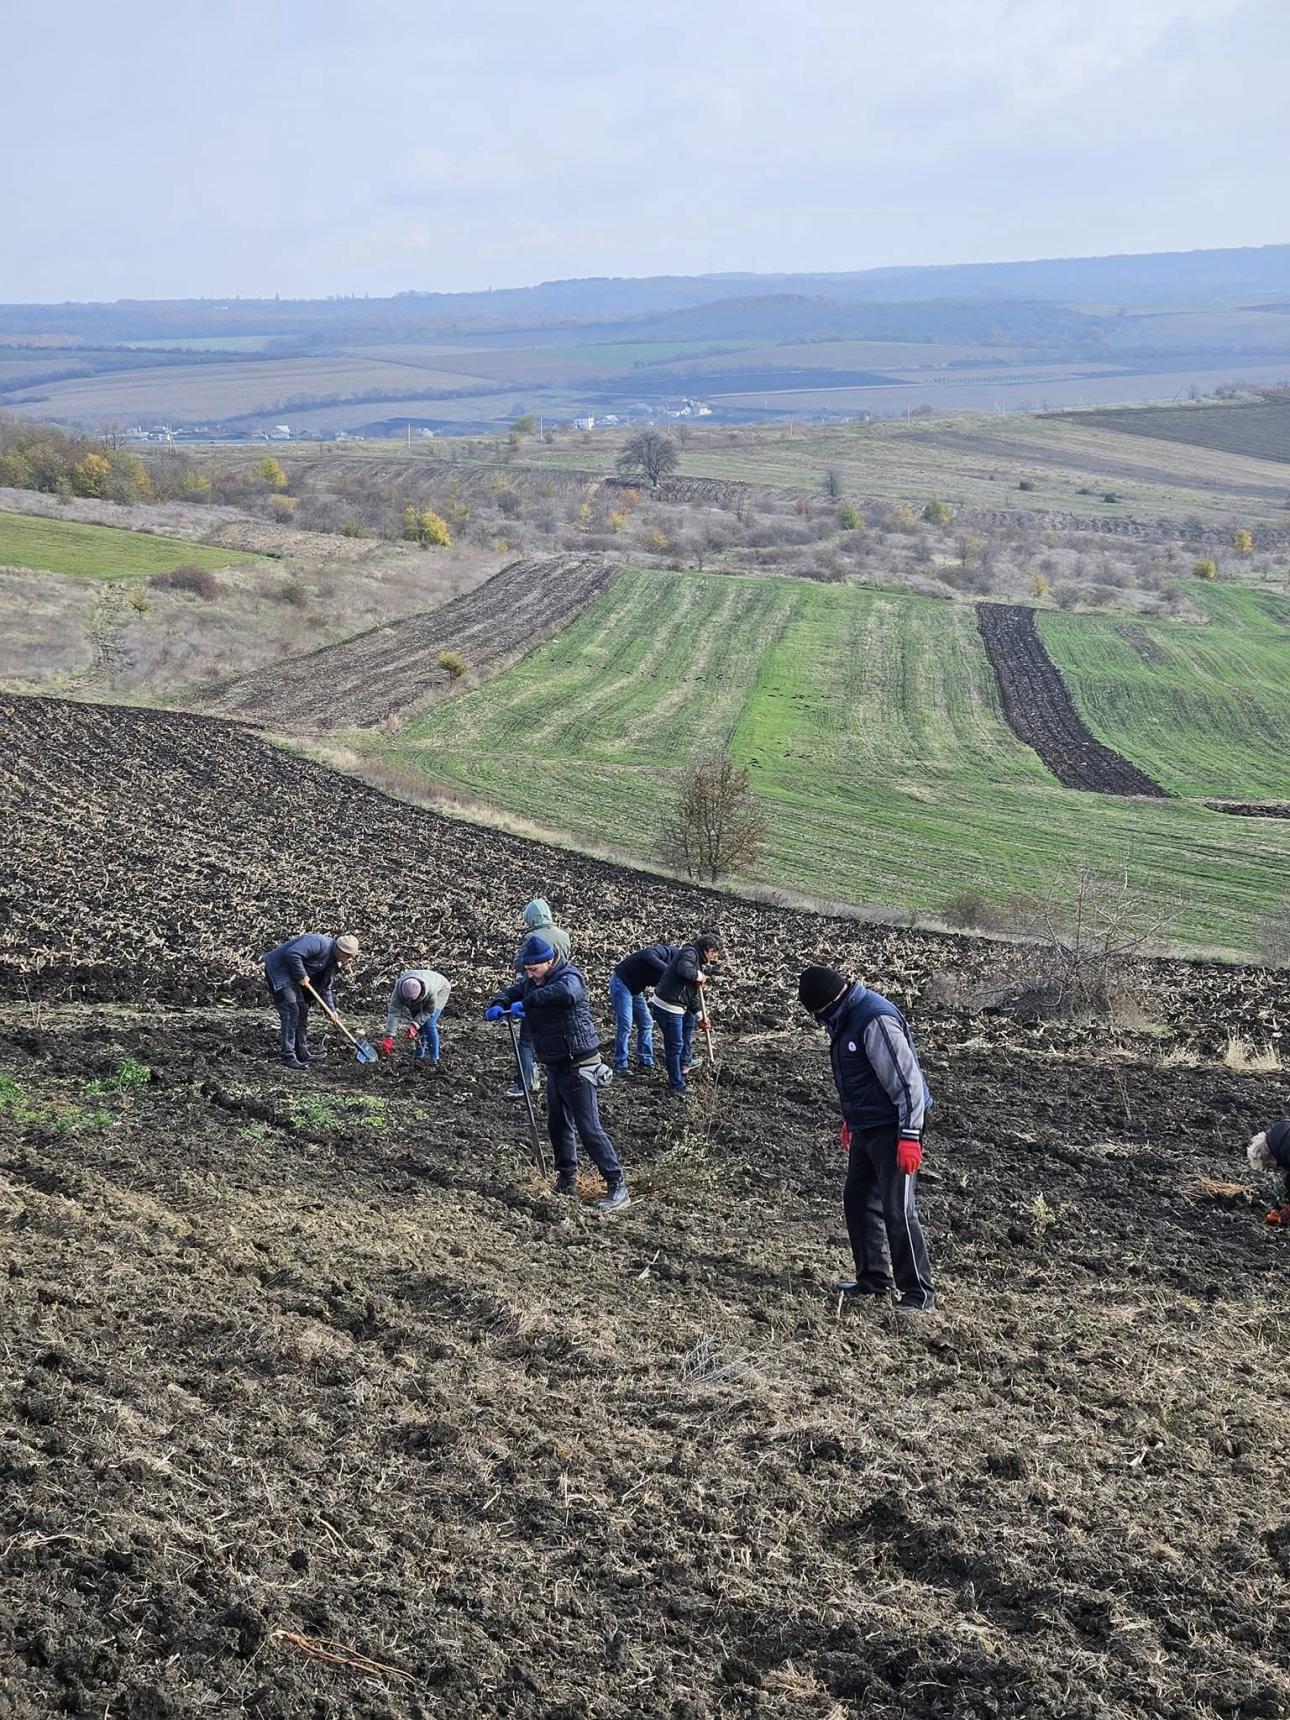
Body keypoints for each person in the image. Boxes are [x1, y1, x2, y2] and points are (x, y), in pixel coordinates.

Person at [798, 964, 935, 1314]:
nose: (818, 1021)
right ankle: (873, 1279)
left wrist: (908, 1136)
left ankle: (919, 1294)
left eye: (816, 1013)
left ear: (827, 1002)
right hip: (867, 1125)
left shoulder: (874, 1020)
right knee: (858, 1199)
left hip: (895, 1125)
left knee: (898, 1210)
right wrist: (851, 1120)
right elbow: (858, 1076)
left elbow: (908, 1084)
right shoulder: (844, 1018)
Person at [487, 934, 629, 1212]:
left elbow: (564, 994)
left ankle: (617, 1185)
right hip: (556, 1064)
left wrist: (526, 1004)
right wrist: (499, 1001)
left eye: (534, 969)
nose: (530, 975)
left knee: (588, 1128)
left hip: (580, 1063)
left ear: (549, 961)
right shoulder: (532, 981)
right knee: (558, 1126)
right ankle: (566, 1180)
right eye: (527, 970)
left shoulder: (569, 976)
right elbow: (515, 991)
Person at [263, 933, 360, 1070]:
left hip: (292, 975)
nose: (348, 960)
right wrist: (301, 974)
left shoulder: (333, 961)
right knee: (291, 1010)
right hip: (280, 970)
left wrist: (330, 1009)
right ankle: (288, 1056)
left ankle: (302, 1053)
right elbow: (293, 953)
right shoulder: (319, 943)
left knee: (302, 1010)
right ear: (340, 950)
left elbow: (325, 986)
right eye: (348, 956)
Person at [508, 898, 572, 1100]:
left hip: (534, 994)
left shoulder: (532, 937)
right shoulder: (564, 935)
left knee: (526, 1041)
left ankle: (525, 1084)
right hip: (556, 995)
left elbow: (520, 964)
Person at [651, 931, 721, 1094]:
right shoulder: (690, 954)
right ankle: (677, 1085)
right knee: (675, 1045)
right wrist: (699, 976)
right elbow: (684, 970)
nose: (715, 958)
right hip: (668, 1006)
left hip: (674, 1005)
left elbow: (691, 995)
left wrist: (700, 1017)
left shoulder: (696, 958)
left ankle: (680, 1072)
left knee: (678, 1042)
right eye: (715, 953)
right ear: (709, 950)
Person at [609, 941, 678, 1073]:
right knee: (625, 1025)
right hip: (622, 982)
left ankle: (646, 1061)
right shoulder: (669, 953)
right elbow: (647, 955)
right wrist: (668, 971)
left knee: (646, 1023)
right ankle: (620, 1064)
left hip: (636, 988)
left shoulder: (677, 974)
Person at [380, 968, 452, 1063]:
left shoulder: (431, 992)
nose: (410, 1003)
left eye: (412, 1001)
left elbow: (429, 1011)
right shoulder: (398, 990)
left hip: (441, 989)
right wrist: (389, 1036)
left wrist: (414, 1024)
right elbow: (394, 1012)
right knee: (419, 1026)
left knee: (429, 1024)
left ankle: (434, 1059)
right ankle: (419, 1054)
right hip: (421, 989)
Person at [1248, 1118, 1290, 1223]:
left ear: (1268, 1158)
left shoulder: (1287, 1149)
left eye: (1268, 1166)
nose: (1274, 1169)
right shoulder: (1280, 1137)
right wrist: (1276, 1208)